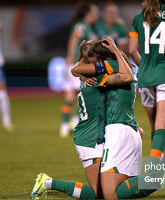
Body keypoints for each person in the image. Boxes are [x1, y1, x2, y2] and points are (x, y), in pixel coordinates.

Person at [30, 38, 142, 200]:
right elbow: (77, 69)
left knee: (111, 191)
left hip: (102, 133)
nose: (90, 65)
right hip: (89, 137)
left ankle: (159, 178)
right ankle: (48, 183)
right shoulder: (100, 75)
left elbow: (76, 69)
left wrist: (81, 71)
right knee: (100, 194)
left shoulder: (95, 72)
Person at [129, 0, 165, 197]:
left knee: (155, 130)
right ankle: (156, 175)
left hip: (146, 78)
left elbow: (131, 51)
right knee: (161, 130)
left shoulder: (138, 18)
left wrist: (144, 66)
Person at [60, 2, 99, 137]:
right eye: (94, 12)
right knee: (85, 93)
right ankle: (74, 121)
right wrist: (70, 58)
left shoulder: (88, 27)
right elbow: (73, 39)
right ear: (89, 13)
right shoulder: (81, 25)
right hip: (77, 64)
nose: (96, 14)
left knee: (71, 94)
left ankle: (65, 126)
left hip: (77, 64)